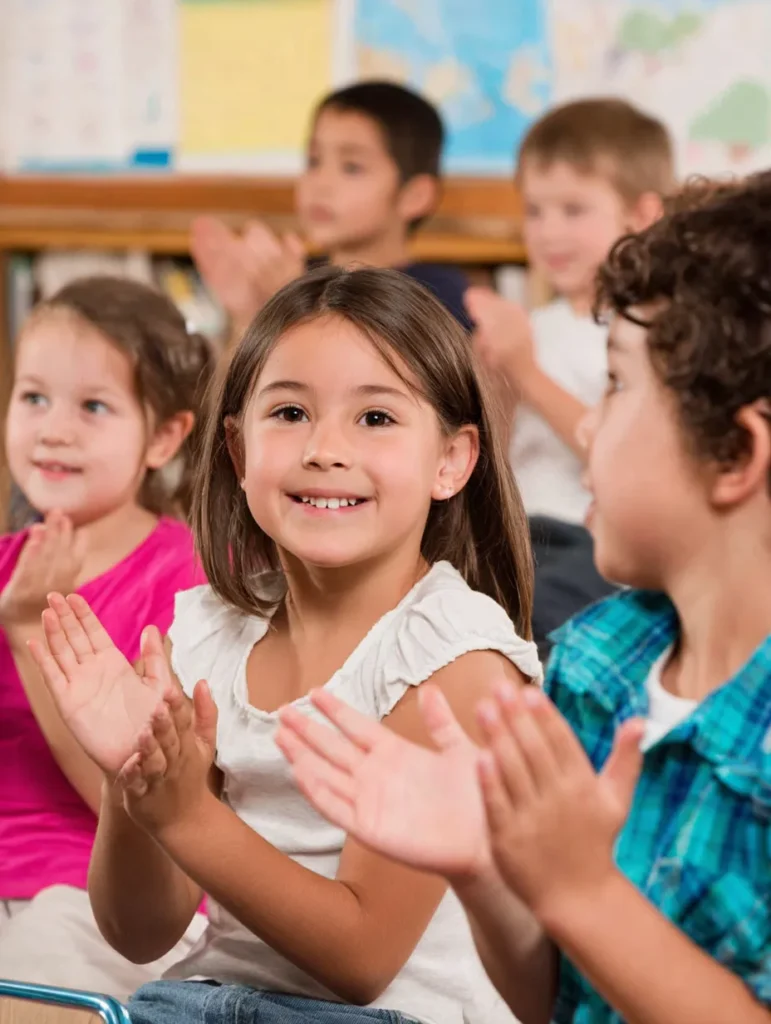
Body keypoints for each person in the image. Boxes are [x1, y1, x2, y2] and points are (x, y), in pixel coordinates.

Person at [277, 174, 771, 1022]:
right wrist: (486, 870)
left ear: (733, 454)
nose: (582, 424)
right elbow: (550, 995)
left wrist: (579, 891)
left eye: (615, 384)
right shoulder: (594, 661)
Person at [29, 266, 541, 1024]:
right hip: (205, 1002)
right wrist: (131, 778)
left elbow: (364, 958)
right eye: (290, 412)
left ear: (451, 460)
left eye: (374, 419)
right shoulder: (206, 631)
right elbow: (141, 933)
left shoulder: (455, 659)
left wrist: (184, 818)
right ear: (237, 452)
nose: (324, 449)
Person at [0, 277, 214, 998]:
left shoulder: (181, 581)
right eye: (33, 398)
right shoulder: (8, 564)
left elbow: (141, 807)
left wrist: (29, 627)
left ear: (163, 436)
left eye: (93, 406)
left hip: (99, 902)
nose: (53, 429)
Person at [467, 98, 675, 657]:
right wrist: (493, 378)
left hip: (591, 542)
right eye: (535, 211)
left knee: (524, 639)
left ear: (642, 215)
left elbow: (628, 456)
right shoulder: (534, 325)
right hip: (513, 535)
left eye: (574, 209)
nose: (549, 231)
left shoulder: (648, 329)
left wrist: (525, 372)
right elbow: (498, 457)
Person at [191, 81, 473, 340]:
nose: (320, 184)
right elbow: (237, 393)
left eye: (352, 167)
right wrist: (248, 316)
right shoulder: (297, 275)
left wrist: (289, 308)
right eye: (314, 161)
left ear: (414, 196)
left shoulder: (438, 296)